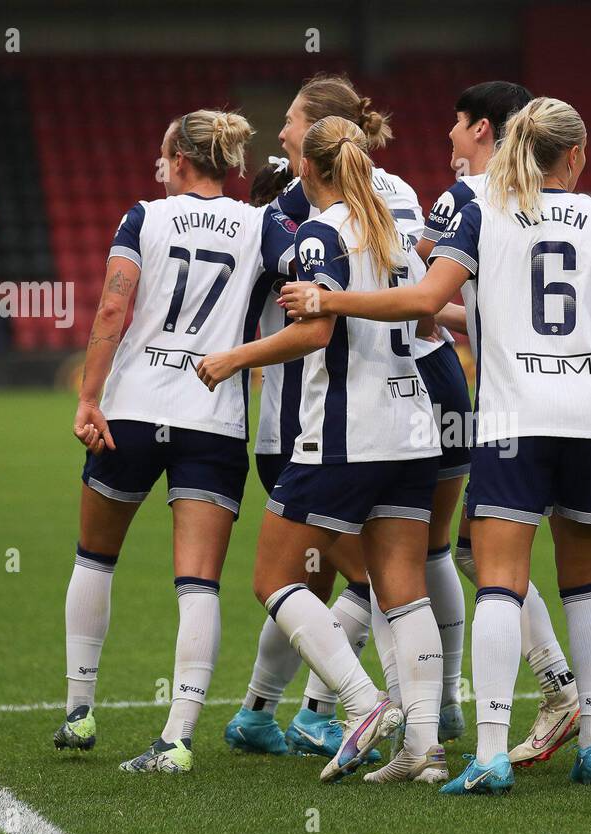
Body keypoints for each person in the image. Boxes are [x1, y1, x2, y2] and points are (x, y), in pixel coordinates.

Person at [279, 97, 591, 793]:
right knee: (587, 581)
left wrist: (330, 300)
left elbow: (423, 303)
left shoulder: (483, 212)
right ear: (577, 156)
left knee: (500, 583)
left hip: (516, 419)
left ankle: (493, 755)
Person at [198, 116, 446, 784]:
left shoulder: (320, 232)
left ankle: (362, 702)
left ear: (308, 169)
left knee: (272, 578)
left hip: (343, 434)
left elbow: (313, 335)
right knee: (403, 590)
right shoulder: (394, 234)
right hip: (412, 427)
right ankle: (424, 747)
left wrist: (233, 358)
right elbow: (427, 317)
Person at [53, 109, 297, 773]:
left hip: (132, 407)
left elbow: (112, 307)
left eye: (165, 157)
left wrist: (88, 396)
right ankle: (178, 738)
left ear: (178, 160)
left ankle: (79, 712)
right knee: (198, 583)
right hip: (213, 412)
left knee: (95, 557)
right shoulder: (264, 223)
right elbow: (302, 283)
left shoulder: (145, 216)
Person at [417, 81, 587, 767]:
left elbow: (423, 300)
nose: (451, 138)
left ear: (486, 129)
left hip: (508, 410)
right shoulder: (588, 213)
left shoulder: (468, 199)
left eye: (457, 124)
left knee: (471, 555)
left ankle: (542, 695)